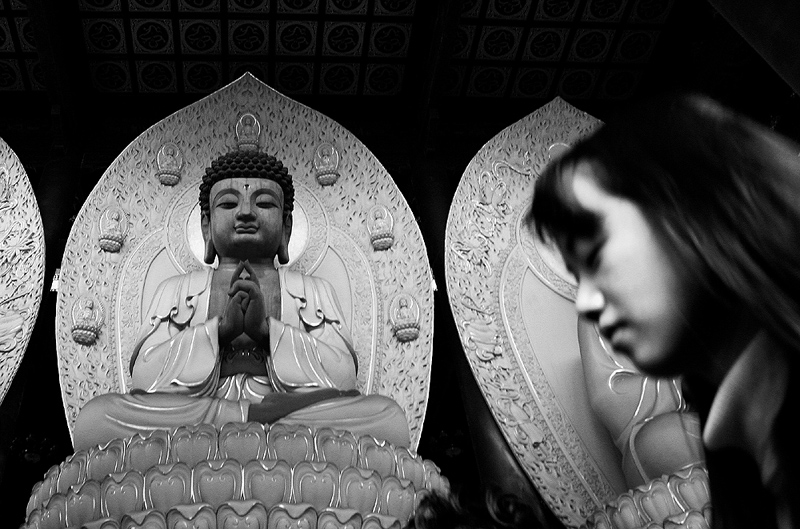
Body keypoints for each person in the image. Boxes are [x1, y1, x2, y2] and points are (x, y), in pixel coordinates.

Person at [528, 92, 800, 529]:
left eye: (595, 255)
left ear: (690, 207)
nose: (583, 302)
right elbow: (612, 398)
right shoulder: (742, 452)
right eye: (576, 277)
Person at [73, 149, 410, 451]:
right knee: (97, 418)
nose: (246, 213)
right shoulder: (177, 289)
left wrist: (268, 332)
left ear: (287, 227)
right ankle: (246, 427)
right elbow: (145, 377)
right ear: (206, 226)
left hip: (287, 415)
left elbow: (343, 377)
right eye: (228, 204)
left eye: (263, 203)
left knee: (385, 417)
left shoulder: (313, 290)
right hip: (202, 414)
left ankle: (244, 429)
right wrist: (220, 331)